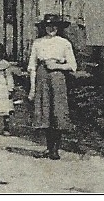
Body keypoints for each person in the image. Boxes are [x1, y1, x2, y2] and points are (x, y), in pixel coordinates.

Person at [27, 14, 76, 160]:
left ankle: (56, 149)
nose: (51, 29)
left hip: (57, 78)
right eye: (48, 26)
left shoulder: (64, 43)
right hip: (42, 78)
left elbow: (73, 66)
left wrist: (56, 65)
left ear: (59, 28)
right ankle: (49, 148)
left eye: (55, 26)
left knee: (57, 113)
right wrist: (32, 87)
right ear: (44, 27)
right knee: (45, 113)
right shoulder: (38, 43)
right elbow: (32, 67)